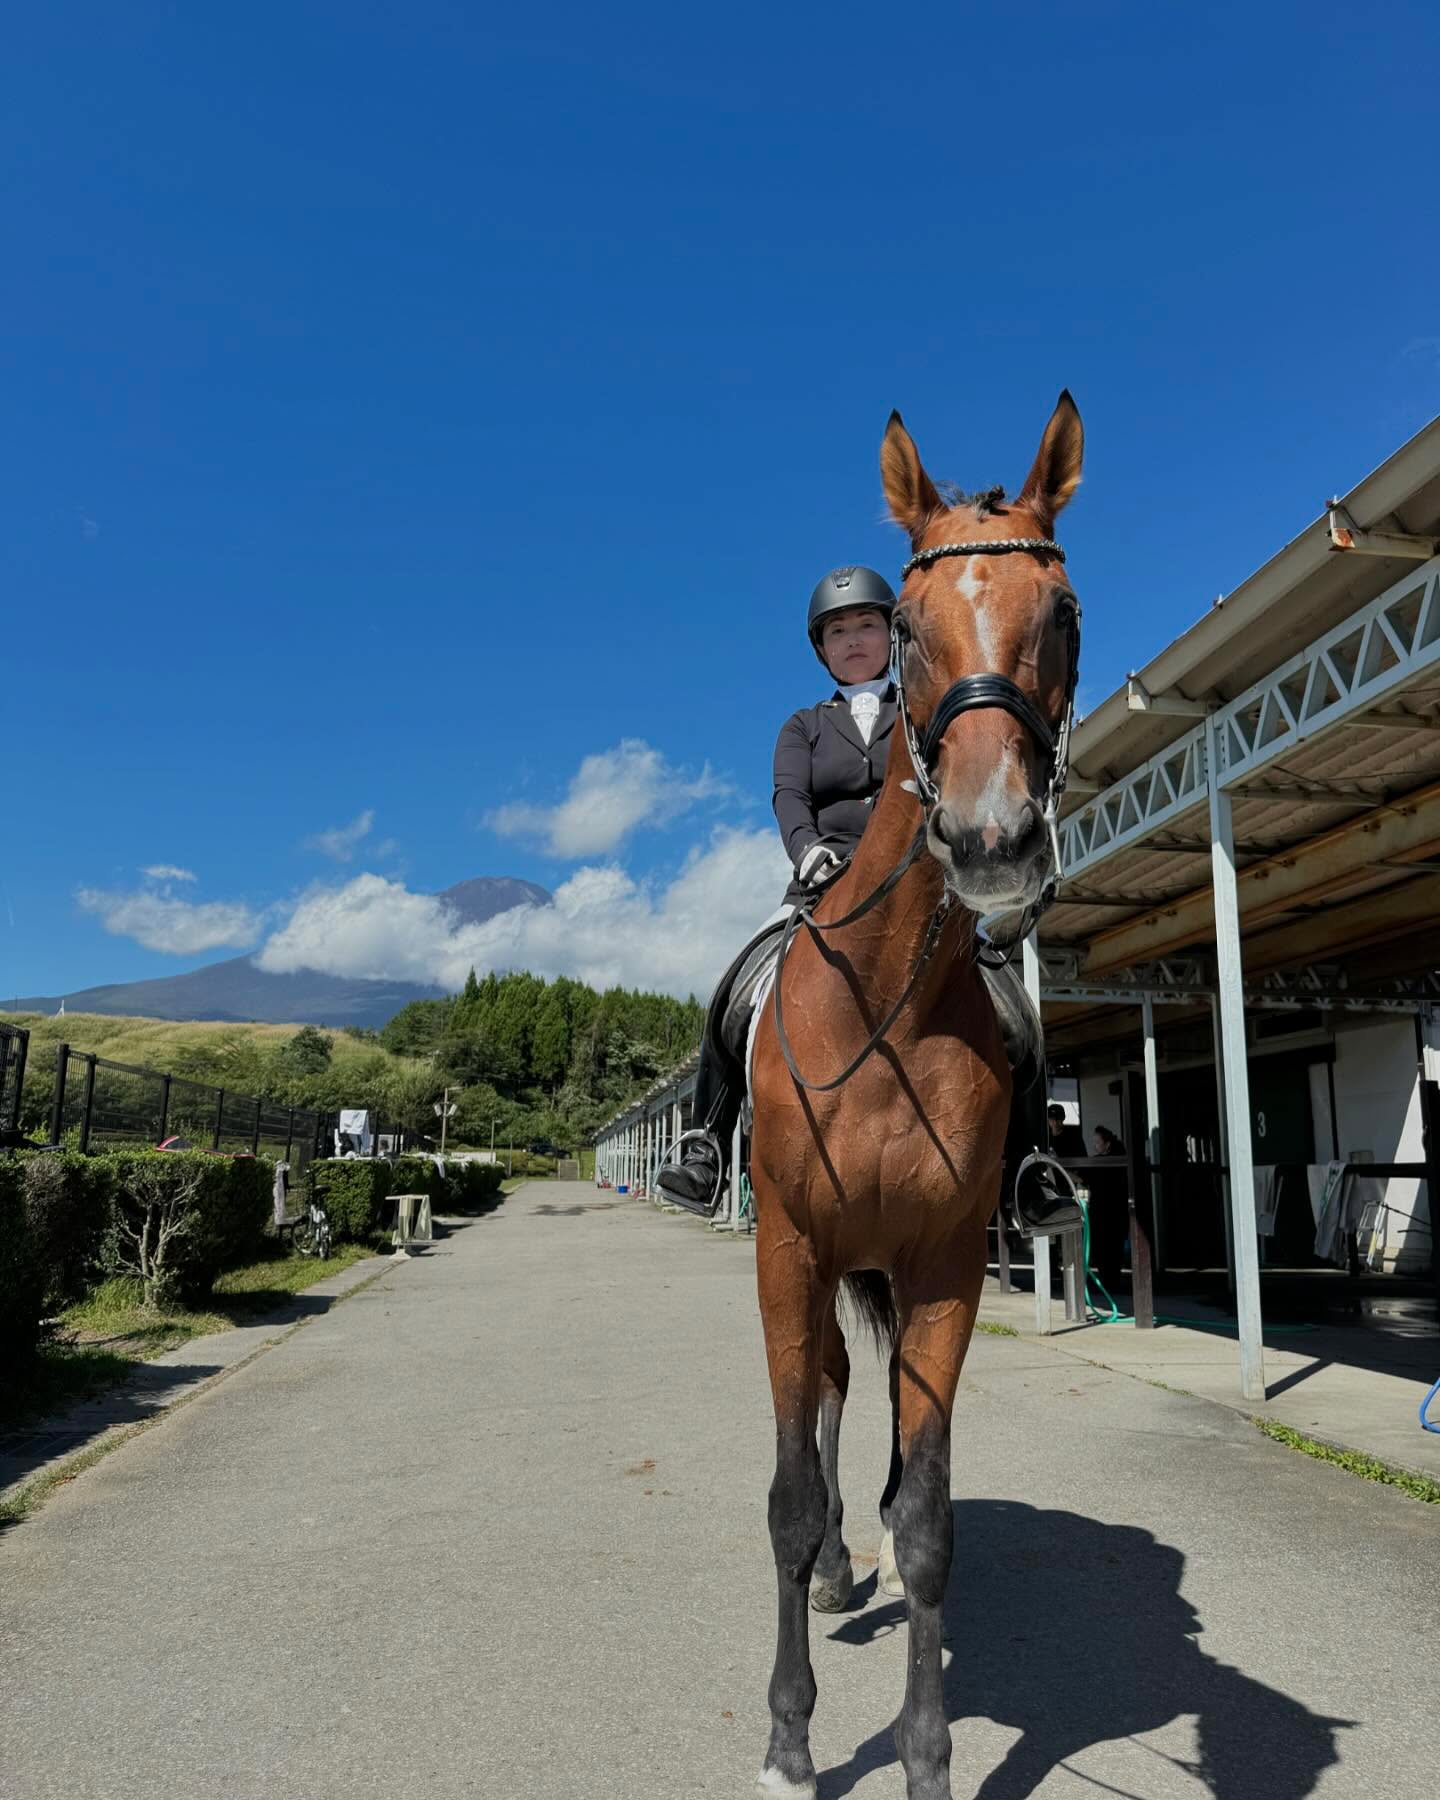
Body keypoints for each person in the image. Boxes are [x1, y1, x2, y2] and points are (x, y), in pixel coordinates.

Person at [655, 565, 1081, 1238]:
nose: (853, 640)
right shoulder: (803, 726)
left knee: (1016, 1017)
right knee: (733, 995)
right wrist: (806, 851)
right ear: (821, 648)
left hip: (922, 894)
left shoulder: (923, 713)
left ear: (895, 637)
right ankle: (706, 1144)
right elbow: (789, 798)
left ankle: (1031, 1165)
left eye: (866, 626)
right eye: (837, 632)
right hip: (818, 884)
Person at [1086, 1124, 1129, 1294]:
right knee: (1112, 1249)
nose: (1095, 1145)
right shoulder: (1116, 1160)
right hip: (1113, 1211)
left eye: (1098, 1142)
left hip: (1105, 1211)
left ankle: (1108, 1282)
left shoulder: (1104, 1162)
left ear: (1107, 1144)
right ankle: (1111, 1281)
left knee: (1105, 1248)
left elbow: (1085, 1177)